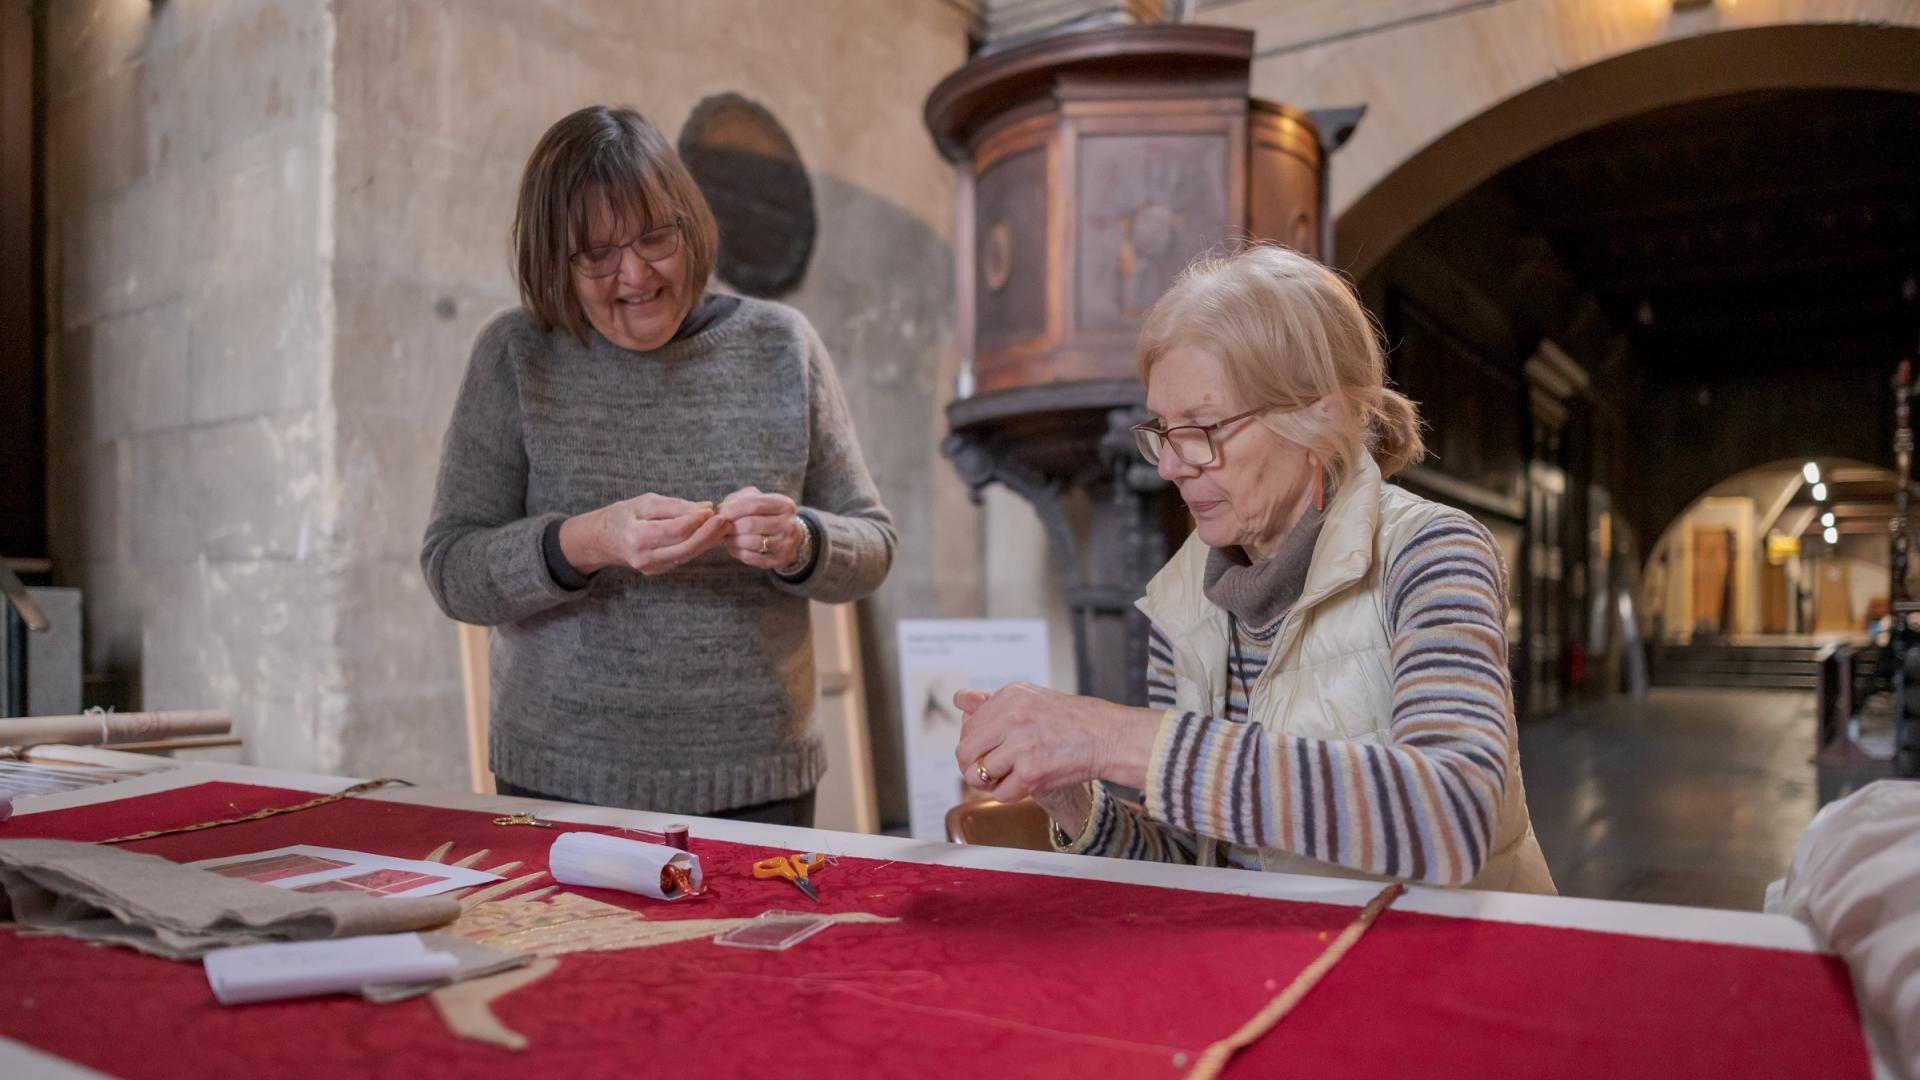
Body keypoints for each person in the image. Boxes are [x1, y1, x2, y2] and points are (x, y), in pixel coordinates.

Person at [953, 244, 1555, 893]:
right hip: (1279, 958)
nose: (1170, 465)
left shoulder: (1432, 552)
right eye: (1163, 428)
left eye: (1203, 426)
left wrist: (1119, 738)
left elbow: (1453, 816)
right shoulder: (1185, 596)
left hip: (1441, 964)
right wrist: (1072, 798)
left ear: (1315, 417)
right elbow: (1195, 867)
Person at [421, 105, 895, 826]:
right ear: (555, 260)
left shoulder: (781, 346)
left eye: (654, 239)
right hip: (560, 780)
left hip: (760, 779)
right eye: (596, 255)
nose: (635, 275)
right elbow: (453, 570)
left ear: (690, 225)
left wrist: (800, 541)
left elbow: (873, 544)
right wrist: (587, 541)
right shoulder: (516, 355)